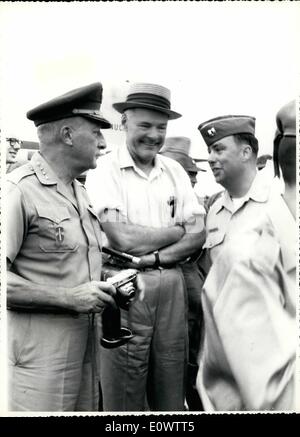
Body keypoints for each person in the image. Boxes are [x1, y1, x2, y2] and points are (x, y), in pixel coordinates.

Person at [86, 82, 205, 411]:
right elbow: (122, 238)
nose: (153, 135)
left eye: (161, 127)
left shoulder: (175, 170)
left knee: (170, 383)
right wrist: (176, 230)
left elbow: (198, 234)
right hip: (125, 286)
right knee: (124, 387)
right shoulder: (105, 170)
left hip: (170, 283)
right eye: (144, 126)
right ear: (125, 123)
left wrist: (153, 256)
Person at [6, 82, 116, 412]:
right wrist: (68, 298)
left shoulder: (79, 193)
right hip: (38, 366)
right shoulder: (19, 191)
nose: (103, 142)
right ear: (67, 135)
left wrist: (107, 285)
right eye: (96, 131)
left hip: (83, 356)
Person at [196, 109, 296, 410]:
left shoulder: (282, 202)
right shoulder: (214, 209)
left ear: (247, 151)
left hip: (276, 359)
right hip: (225, 359)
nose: (211, 158)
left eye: (218, 149)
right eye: (209, 151)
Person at [159, 136, 205, 410]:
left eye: (193, 174)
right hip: (169, 296)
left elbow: (196, 239)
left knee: (192, 367)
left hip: (194, 301)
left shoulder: (199, 205)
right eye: (188, 173)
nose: (193, 179)